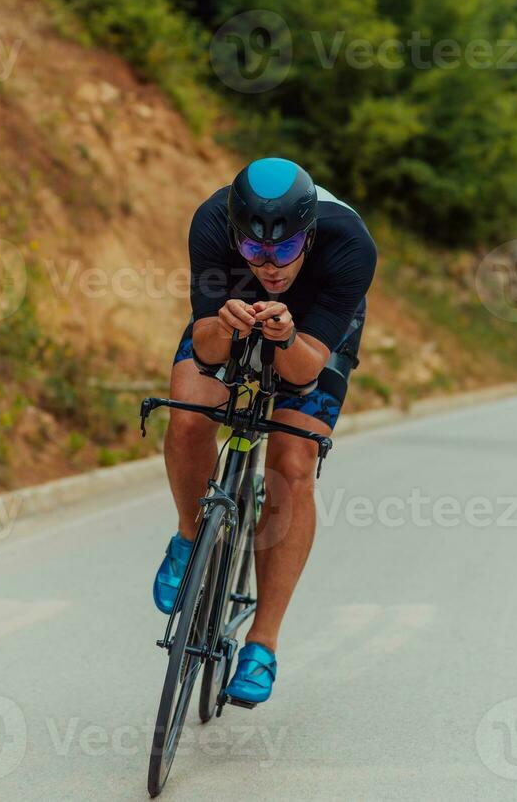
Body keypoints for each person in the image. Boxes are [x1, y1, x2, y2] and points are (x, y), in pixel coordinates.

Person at [153, 157, 376, 705]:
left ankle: (262, 645)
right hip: (230, 312)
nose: (271, 266)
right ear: (235, 235)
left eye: (284, 250)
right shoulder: (210, 223)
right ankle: (188, 535)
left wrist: (284, 336)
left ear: (310, 235)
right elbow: (205, 349)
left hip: (314, 330)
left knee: (294, 464)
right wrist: (222, 326)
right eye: (255, 251)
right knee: (187, 416)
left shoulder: (349, 246)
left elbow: (303, 373)